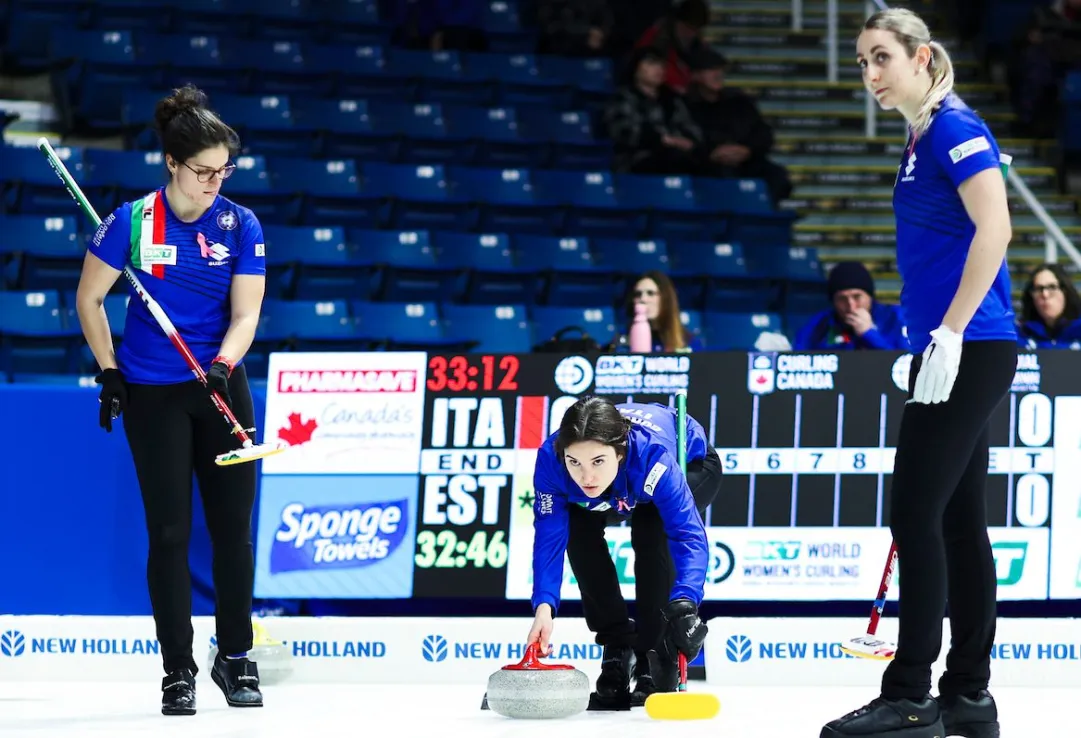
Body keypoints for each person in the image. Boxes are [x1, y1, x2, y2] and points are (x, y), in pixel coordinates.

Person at [822, 9, 1017, 738]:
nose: (868, 74)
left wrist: (950, 333)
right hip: (959, 344)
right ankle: (968, 697)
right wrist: (927, 335)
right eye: (863, 61)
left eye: (880, 58)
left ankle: (909, 695)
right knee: (960, 524)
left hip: (972, 345)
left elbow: (996, 229)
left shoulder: (953, 128)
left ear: (922, 56)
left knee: (915, 515)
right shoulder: (918, 137)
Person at [74, 84, 267, 716]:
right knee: (169, 533)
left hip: (220, 387)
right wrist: (109, 371)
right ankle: (177, 669)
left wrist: (222, 364)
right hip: (153, 394)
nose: (215, 183)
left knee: (233, 534)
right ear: (172, 164)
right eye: (204, 171)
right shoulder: (130, 222)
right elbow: (89, 298)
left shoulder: (241, 224)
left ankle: (235, 656)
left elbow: (246, 313)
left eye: (224, 171)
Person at [527, 396, 722, 707]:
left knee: (651, 524)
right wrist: (544, 607)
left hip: (691, 464)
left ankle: (653, 653)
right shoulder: (551, 462)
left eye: (597, 461)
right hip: (620, 486)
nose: (586, 476)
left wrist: (685, 603)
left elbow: (687, 535)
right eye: (574, 462)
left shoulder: (652, 457)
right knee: (576, 524)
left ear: (618, 453)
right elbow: (549, 538)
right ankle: (617, 648)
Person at [793, 261, 908, 351]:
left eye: (857, 297)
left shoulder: (895, 318)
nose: (851, 306)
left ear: (870, 296)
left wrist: (869, 333)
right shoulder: (818, 326)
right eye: (842, 299)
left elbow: (904, 365)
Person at [614, 271, 704, 352]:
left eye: (650, 293)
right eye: (638, 294)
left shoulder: (687, 341)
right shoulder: (624, 338)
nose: (643, 299)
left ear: (665, 299)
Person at [1016, 262, 1081, 349]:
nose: (1045, 294)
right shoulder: (1020, 335)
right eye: (1039, 289)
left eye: (1052, 287)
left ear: (1065, 291)